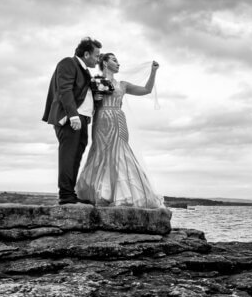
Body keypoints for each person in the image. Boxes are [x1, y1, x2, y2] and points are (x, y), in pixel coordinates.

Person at [75, 53, 164, 208]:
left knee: (121, 152)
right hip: (101, 119)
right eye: (114, 60)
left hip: (118, 119)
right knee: (100, 152)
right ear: (104, 62)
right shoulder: (95, 80)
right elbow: (86, 100)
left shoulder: (123, 84)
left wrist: (153, 71)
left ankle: (122, 195)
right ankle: (100, 193)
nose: (118, 63)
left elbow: (146, 90)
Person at [42, 37, 102, 205]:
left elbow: (81, 92)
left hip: (82, 119)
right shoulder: (68, 63)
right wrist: (73, 115)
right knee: (68, 156)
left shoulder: (84, 70)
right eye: (97, 55)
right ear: (86, 54)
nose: (98, 59)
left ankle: (70, 194)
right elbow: (65, 89)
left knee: (76, 156)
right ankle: (65, 196)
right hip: (70, 119)